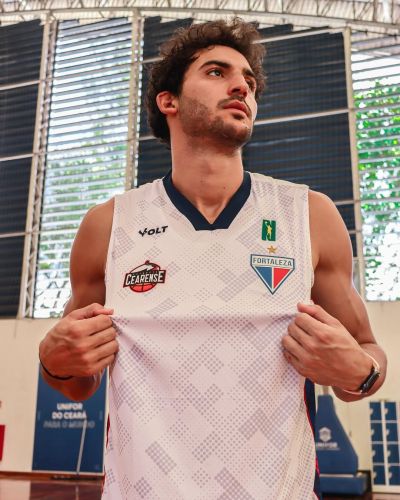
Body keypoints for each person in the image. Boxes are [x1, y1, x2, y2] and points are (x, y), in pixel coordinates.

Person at [39, 18, 386, 500]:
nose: (242, 86)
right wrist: (53, 364)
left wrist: (360, 372)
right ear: (169, 101)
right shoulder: (109, 225)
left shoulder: (309, 215)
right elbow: (78, 381)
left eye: (249, 80)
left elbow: (365, 357)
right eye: (217, 72)